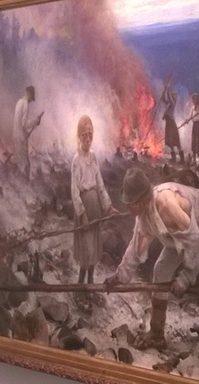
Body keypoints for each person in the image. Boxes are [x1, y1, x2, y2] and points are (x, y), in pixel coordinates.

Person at [104, 168, 199, 384]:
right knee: (161, 271)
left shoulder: (166, 206)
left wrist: (185, 278)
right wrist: (120, 276)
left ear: (143, 199)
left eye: (131, 203)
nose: (128, 208)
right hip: (180, 235)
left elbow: (196, 242)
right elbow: (136, 248)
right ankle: (156, 334)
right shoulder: (143, 216)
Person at [71, 115, 119, 287]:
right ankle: (81, 284)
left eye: (90, 135)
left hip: (96, 209)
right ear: (79, 136)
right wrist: (82, 215)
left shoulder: (94, 157)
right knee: (86, 248)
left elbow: (100, 184)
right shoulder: (76, 160)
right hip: (85, 211)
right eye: (84, 135)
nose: (88, 139)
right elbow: (74, 191)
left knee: (94, 246)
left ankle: (90, 281)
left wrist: (109, 207)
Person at [12, 86, 43, 180]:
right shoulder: (25, 103)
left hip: (16, 136)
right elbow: (24, 123)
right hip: (21, 138)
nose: (31, 101)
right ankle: (25, 185)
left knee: (18, 162)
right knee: (26, 166)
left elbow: (19, 124)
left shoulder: (19, 102)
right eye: (32, 98)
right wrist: (35, 121)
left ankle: (15, 183)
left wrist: (27, 132)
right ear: (30, 94)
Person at [161, 80, 182, 163]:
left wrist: (168, 89)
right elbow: (164, 99)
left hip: (171, 123)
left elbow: (168, 97)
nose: (172, 97)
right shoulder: (169, 104)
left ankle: (182, 158)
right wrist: (164, 90)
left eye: (173, 96)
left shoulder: (172, 103)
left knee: (175, 140)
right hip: (168, 123)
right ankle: (173, 158)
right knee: (170, 141)